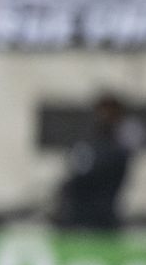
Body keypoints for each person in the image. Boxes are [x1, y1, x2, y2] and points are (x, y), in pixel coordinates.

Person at [56, 94, 140, 232]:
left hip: (103, 218)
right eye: (102, 112)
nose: (104, 117)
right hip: (76, 217)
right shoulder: (86, 143)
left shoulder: (120, 148)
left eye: (110, 113)